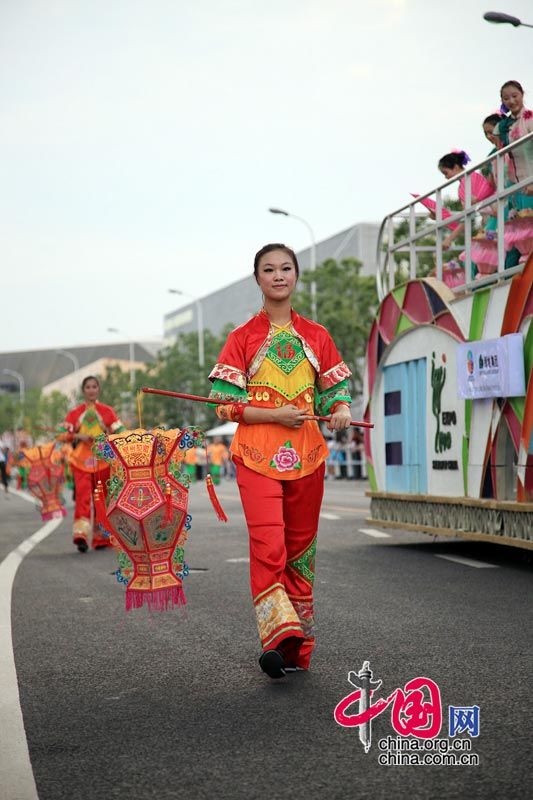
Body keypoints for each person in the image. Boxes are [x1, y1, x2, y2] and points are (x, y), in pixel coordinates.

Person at [208, 243, 352, 679]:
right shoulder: (242, 337)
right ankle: (276, 637)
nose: (277, 276)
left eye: (285, 268)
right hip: (256, 455)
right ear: (257, 279)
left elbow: (334, 391)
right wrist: (275, 414)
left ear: (295, 276)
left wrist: (341, 410)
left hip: (308, 457)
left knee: (301, 553)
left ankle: (297, 648)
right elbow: (225, 405)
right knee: (269, 546)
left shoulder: (318, 335)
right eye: (268, 269)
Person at [59, 376, 124, 552]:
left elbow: (120, 432)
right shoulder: (75, 413)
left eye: (94, 386)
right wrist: (78, 436)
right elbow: (62, 433)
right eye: (88, 387)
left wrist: (107, 433)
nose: (91, 390)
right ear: (83, 390)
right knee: (82, 497)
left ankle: (101, 537)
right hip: (81, 461)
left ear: (98, 389)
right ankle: (81, 535)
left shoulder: (107, 411)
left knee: (102, 499)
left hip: (103, 461)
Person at [438, 150, 496, 278]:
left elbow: (466, 218)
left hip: (496, 217)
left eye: (446, 173)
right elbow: (466, 217)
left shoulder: (470, 180)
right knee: (473, 258)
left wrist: (449, 239)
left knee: (473, 257)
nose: (445, 177)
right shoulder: (464, 185)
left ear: (456, 167)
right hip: (490, 219)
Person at [496, 81, 533, 263]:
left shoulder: (530, 118)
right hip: (514, 187)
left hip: (530, 181)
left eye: (514, 95)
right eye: (506, 98)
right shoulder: (505, 126)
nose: (511, 100)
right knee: (517, 236)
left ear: (522, 94)